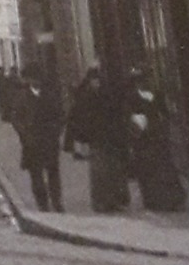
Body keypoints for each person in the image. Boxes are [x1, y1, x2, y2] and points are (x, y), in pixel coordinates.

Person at [64, 67, 129, 213]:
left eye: (98, 80)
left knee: (111, 170)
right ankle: (101, 202)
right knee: (99, 171)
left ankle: (113, 201)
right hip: (96, 138)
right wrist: (81, 140)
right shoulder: (85, 96)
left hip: (108, 137)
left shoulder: (104, 94)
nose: (96, 83)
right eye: (94, 80)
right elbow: (77, 119)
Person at [127, 74, 187, 212]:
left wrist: (163, 127)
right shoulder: (132, 98)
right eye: (140, 81)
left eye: (145, 80)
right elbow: (128, 116)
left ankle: (172, 200)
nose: (143, 84)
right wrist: (136, 123)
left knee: (164, 168)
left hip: (157, 136)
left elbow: (165, 113)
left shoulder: (156, 95)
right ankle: (153, 201)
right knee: (148, 170)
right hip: (143, 139)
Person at [16, 66, 64, 212]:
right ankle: (42, 204)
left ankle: (57, 202)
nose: (34, 81)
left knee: (53, 172)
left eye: (37, 78)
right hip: (31, 142)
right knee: (36, 174)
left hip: (49, 140)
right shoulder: (21, 97)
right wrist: (24, 134)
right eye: (31, 79)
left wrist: (56, 131)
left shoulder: (50, 95)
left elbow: (60, 115)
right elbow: (16, 119)